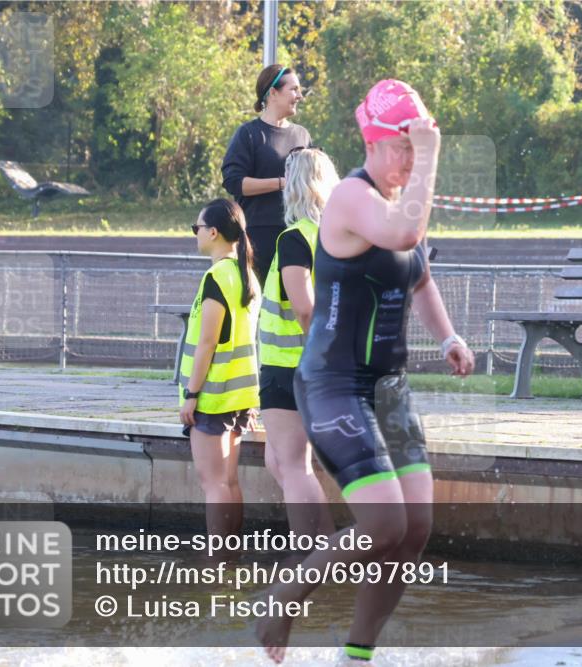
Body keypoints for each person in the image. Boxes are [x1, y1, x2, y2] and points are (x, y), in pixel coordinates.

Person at [256, 79, 475, 664]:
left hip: (388, 389)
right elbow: (406, 231)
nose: (411, 158)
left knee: (415, 529)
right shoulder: (352, 199)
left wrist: (448, 335)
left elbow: (419, 272)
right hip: (333, 385)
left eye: (417, 147)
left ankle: (357, 653)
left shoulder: (402, 203)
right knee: (382, 523)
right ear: (374, 143)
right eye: (403, 147)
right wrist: (429, 157)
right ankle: (285, 596)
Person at [259, 147, 339, 539]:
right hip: (306, 364)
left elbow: (304, 308)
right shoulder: (335, 236)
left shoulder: (295, 238)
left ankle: (308, 555)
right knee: (276, 458)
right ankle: (325, 543)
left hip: (290, 365)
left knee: (292, 464)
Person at [179, 198, 260, 556]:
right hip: (240, 395)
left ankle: (217, 561)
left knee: (213, 484)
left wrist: (191, 394)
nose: (195, 234)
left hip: (213, 396)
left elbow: (207, 342)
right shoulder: (246, 273)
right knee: (228, 481)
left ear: (213, 232)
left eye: (196, 227)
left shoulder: (216, 277)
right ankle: (232, 554)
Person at [222, 63, 311, 285]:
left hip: (298, 234)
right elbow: (233, 182)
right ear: (273, 93)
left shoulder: (302, 135)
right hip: (259, 238)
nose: (299, 96)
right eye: (294, 89)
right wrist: (282, 183)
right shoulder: (249, 134)